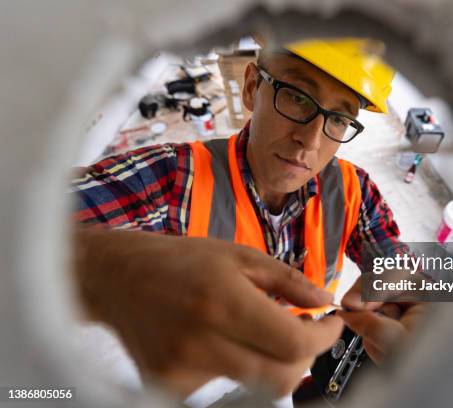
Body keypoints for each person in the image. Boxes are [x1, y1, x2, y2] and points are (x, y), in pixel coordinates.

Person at [70, 38, 424, 397]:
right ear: (253, 87)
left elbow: (393, 260)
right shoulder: (173, 179)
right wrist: (107, 265)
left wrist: (413, 297)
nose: (311, 141)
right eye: (297, 97)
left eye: (338, 118)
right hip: (196, 370)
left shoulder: (353, 190)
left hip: (293, 365)